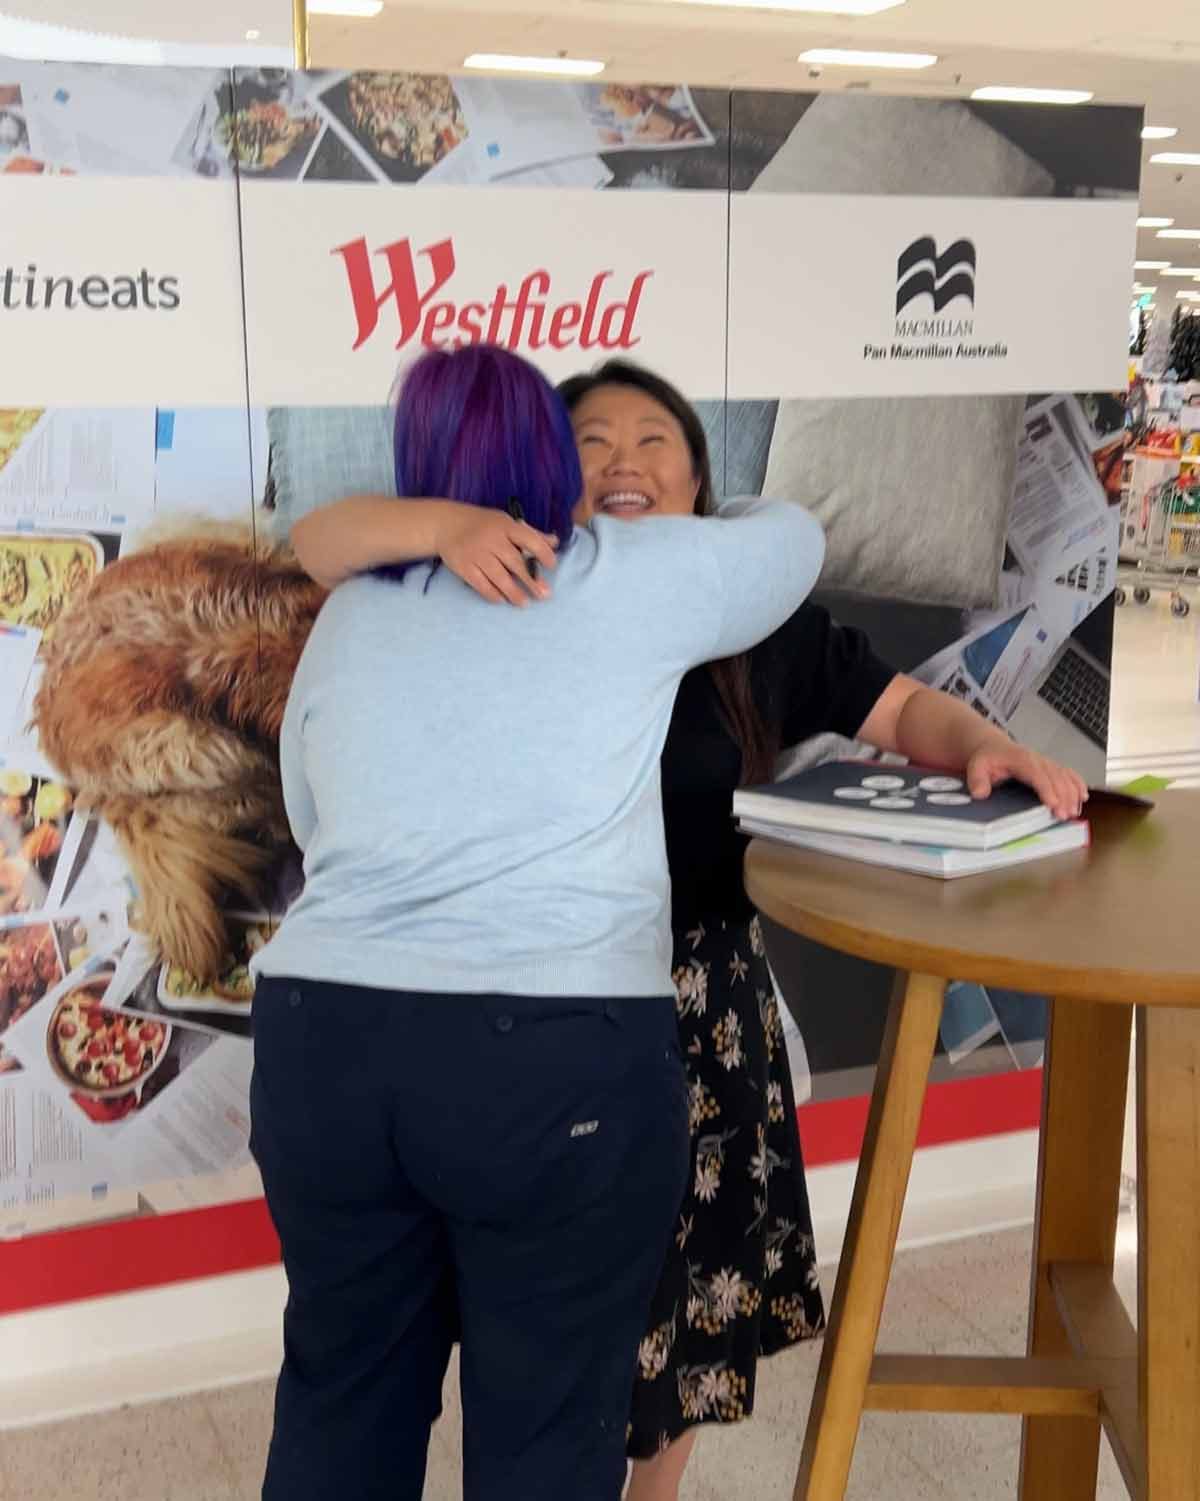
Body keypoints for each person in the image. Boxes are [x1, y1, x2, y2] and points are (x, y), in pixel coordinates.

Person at [290, 359, 1087, 1501]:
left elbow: (899, 704)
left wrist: (982, 746)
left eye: (654, 438)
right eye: (591, 440)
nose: (623, 459)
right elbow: (794, 534)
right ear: (541, 476)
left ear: (702, 475)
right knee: (548, 1397)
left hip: (621, 1014)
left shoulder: (377, 614)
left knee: (546, 1357)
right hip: (571, 1035)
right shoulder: (586, 582)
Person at [249, 344, 827, 1501]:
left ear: (416, 467)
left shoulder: (352, 611)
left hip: (327, 1041)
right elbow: (794, 538)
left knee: (340, 1398)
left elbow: (313, 817)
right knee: (547, 1432)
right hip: (558, 1057)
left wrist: (427, 531)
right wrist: (669, 507)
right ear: (557, 463)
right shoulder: (630, 571)